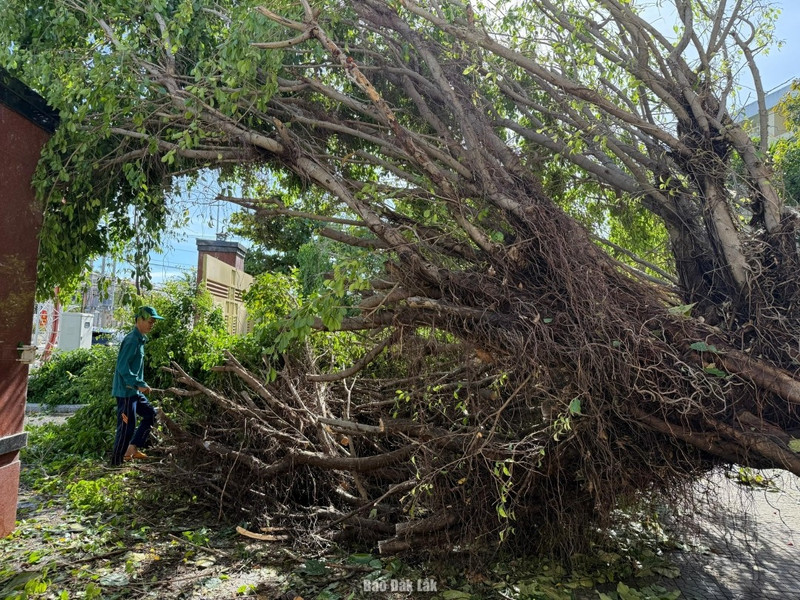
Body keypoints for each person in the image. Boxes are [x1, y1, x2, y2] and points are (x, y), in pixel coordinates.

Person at [111, 305, 164, 465]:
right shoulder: (132, 340)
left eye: (154, 322)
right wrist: (137, 383)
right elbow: (122, 367)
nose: (152, 324)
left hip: (134, 391)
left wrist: (141, 385)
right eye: (150, 321)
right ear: (139, 320)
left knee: (151, 415)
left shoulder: (140, 339)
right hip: (126, 393)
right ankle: (116, 463)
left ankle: (132, 449)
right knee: (126, 428)